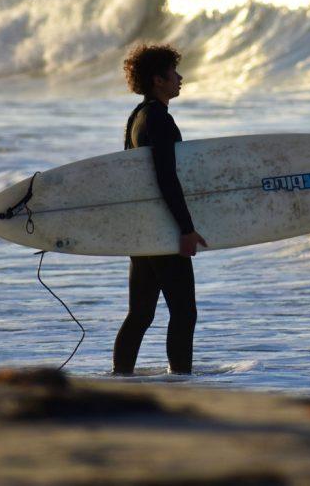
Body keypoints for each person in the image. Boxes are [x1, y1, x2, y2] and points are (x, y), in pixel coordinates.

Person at [112, 44, 208, 375]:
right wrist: (185, 229)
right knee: (184, 311)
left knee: (141, 313)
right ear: (158, 80)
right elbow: (166, 178)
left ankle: (120, 377)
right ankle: (181, 379)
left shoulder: (137, 117)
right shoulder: (159, 120)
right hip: (161, 227)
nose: (180, 78)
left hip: (143, 229)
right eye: (173, 74)